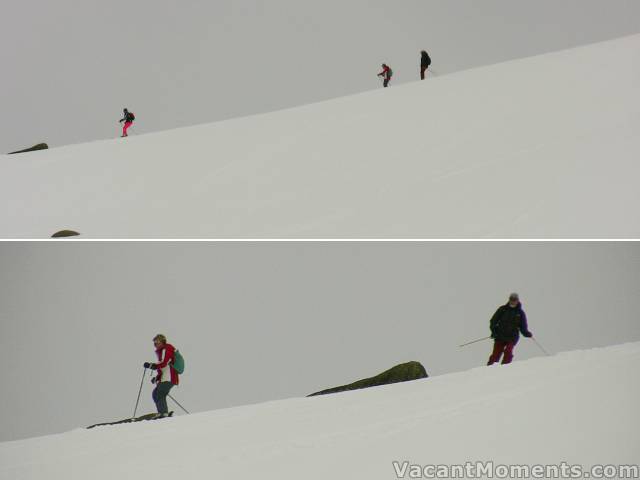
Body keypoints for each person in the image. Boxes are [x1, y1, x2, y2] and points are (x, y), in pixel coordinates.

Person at [487, 293, 533, 365]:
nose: (513, 301)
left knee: (508, 351)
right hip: (500, 335)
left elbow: (523, 327)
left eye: (514, 300)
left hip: (512, 337)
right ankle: (489, 369)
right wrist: (494, 331)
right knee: (495, 354)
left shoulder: (520, 313)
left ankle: (505, 368)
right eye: (511, 300)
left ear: (517, 301)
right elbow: (493, 321)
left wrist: (527, 333)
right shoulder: (502, 309)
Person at [144, 334, 179, 418]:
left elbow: (164, 363)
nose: (155, 345)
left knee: (159, 393)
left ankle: (164, 413)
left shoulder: (166, 349)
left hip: (170, 378)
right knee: (155, 393)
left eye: (157, 342)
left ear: (162, 342)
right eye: (154, 343)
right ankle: (161, 412)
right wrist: (157, 378)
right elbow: (163, 368)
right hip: (165, 378)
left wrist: (152, 365)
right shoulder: (161, 352)